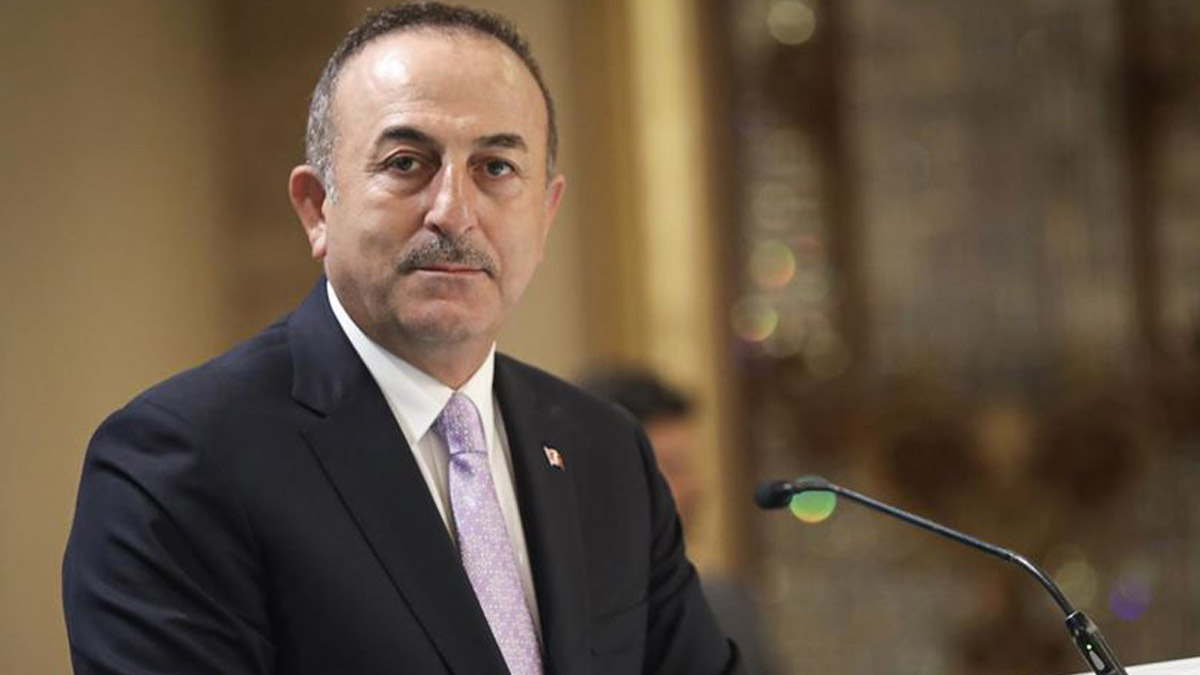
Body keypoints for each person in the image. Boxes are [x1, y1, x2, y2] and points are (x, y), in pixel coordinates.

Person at [61, 4, 740, 674]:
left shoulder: (606, 451)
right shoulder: (180, 461)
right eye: (408, 162)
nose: (454, 212)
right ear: (316, 208)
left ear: (546, 212)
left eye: (495, 168)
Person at [582, 369, 781, 675]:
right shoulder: (554, 620)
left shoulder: (723, 606)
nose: (695, 488)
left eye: (691, 467)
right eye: (673, 468)